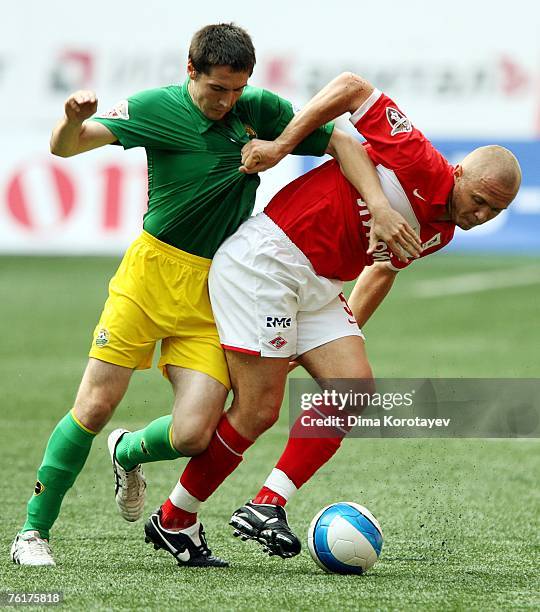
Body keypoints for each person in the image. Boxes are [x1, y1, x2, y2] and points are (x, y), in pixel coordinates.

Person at [11, 26, 414, 567]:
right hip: (149, 277)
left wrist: (286, 150)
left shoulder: (259, 108)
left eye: (235, 90)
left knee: (195, 433)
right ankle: (32, 534)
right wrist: (73, 119)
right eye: (215, 90)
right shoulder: (158, 108)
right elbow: (65, 149)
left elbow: (342, 139)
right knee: (94, 405)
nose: (225, 103)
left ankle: (127, 451)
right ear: (190, 71)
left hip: (212, 288)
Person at [164, 72, 520, 559]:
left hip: (318, 287)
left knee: (352, 389)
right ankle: (175, 518)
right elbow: (352, 87)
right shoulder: (420, 160)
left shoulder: (443, 233)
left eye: (494, 212)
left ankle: (266, 504)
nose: (480, 216)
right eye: (479, 200)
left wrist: (333, 340)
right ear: (458, 173)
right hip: (268, 262)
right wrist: (282, 145)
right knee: (260, 409)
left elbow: (380, 273)